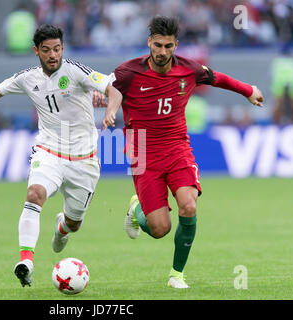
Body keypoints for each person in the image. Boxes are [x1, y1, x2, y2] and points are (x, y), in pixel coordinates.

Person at [0, 24, 122, 287]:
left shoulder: (76, 71)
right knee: (34, 194)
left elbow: (113, 88)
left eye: (57, 49)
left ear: (62, 48)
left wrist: (111, 110)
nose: (53, 55)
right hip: (49, 151)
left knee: (74, 223)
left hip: (84, 160)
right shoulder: (28, 78)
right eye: (46, 50)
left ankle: (61, 229)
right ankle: (26, 261)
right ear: (36, 51)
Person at [106, 16, 263, 289]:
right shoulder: (128, 72)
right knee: (159, 229)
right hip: (142, 150)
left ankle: (176, 275)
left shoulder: (189, 69)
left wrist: (248, 90)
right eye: (157, 45)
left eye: (168, 46)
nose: (163, 52)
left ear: (176, 45)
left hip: (177, 146)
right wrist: (109, 107)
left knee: (189, 205)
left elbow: (217, 78)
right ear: (149, 43)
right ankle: (137, 208)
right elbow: (106, 87)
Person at [270, 44, 293, 125]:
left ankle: (276, 124)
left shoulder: (276, 62)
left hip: (278, 87)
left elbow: (271, 75)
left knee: (275, 106)